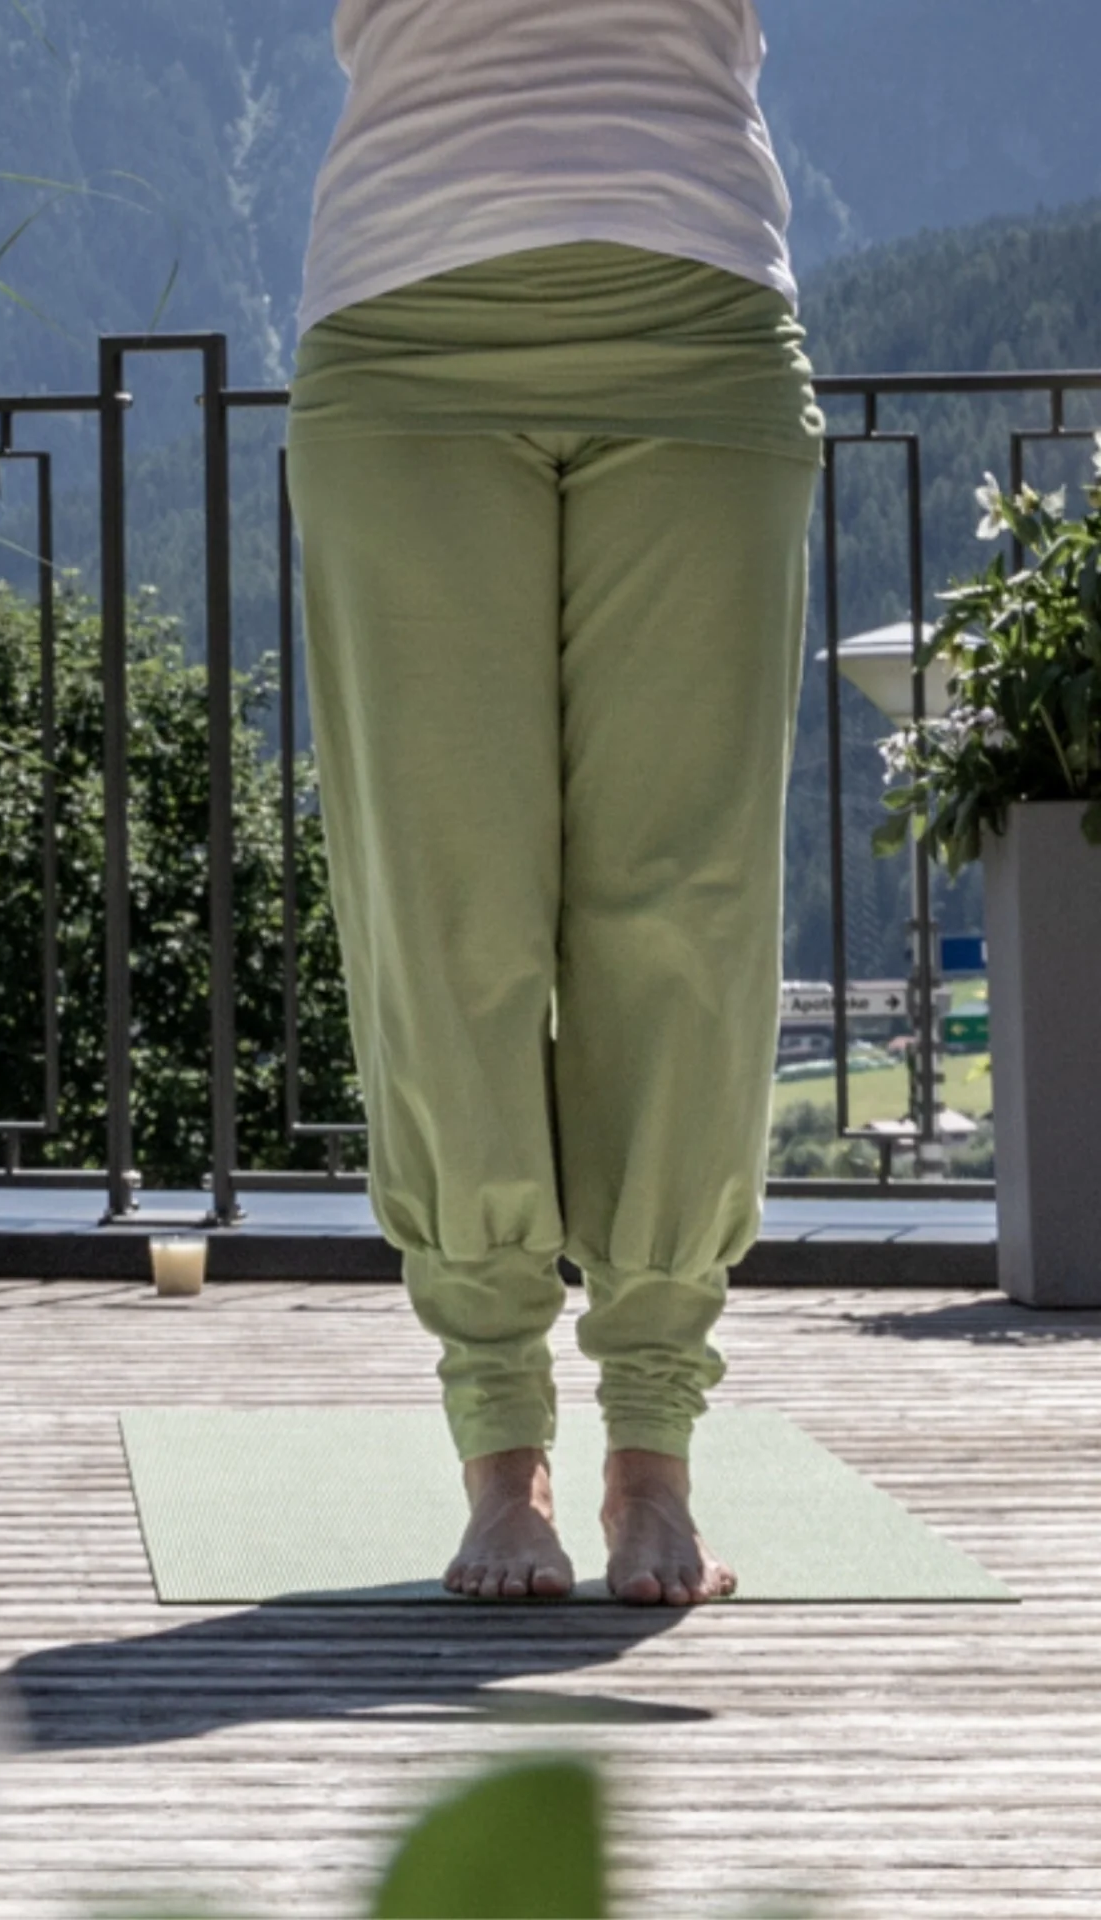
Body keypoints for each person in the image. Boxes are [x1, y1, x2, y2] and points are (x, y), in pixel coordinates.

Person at [285, 0, 824, 1605]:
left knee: (685, 910)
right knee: (447, 915)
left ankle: (652, 1450)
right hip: (404, 334)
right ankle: (499, 1448)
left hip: (699, 316)